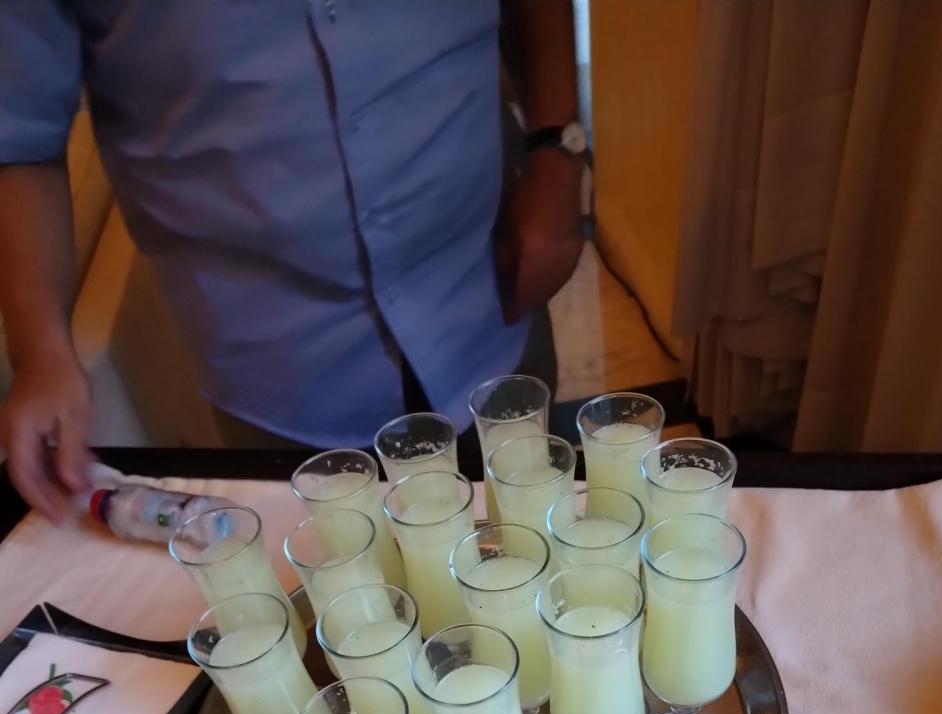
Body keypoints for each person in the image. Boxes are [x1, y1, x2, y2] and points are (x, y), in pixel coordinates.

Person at [0, 0, 585, 523]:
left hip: (489, 286)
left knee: (542, 537)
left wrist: (558, 146)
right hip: (281, 372)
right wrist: (40, 351)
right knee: (344, 585)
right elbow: (19, 136)